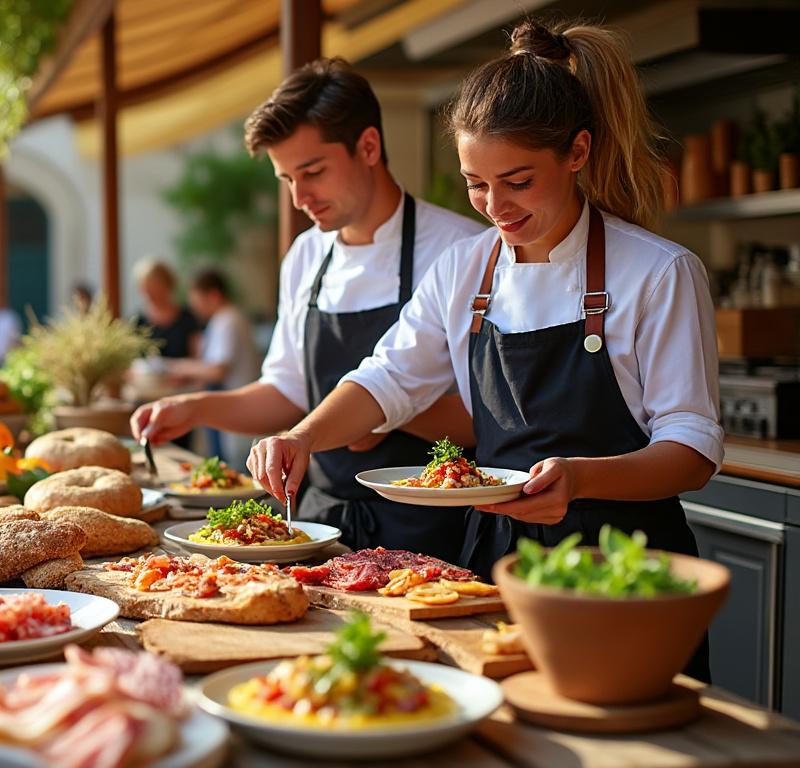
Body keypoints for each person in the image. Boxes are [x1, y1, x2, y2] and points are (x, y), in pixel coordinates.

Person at [248, 21, 719, 680]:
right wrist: (303, 435)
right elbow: (389, 377)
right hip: (492, 567)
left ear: (577, 152)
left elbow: (693, 450)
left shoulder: (658, 272)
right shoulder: (465, 270)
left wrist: (581, 480)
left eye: (518, 181)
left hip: (627, 569)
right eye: (476, 184)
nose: (495, 206)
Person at [133, 58, 485, 560]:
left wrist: (382, 413)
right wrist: (196, 406)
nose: (300, 198)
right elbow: (287, 392)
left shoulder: (461, 250)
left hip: (432, 528)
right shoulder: (306, 256)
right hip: (321, 521)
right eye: (287, 179)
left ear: (368, 146)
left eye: (313, 172)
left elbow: (488, 423)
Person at [157, 270, 260, 466]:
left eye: (197, 300)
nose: (194, 307)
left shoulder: (228, 320)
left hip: (234, 406)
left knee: (232, 469)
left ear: (213, 296)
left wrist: (173, 366)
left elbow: (217, 370)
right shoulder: (224, 319)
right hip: (230, 405)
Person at [132, 259, 199, 359]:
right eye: (145, 289)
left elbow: (197, 357)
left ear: (167, 285)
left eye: (153, 287)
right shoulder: (137, 321)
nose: (149, 294)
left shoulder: (188, 318)